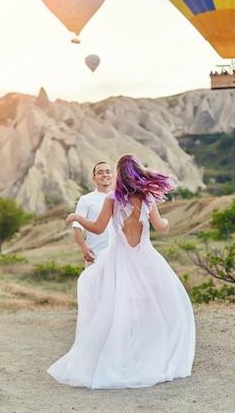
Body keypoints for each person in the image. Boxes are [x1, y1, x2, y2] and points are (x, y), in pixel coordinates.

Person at [47, 154, 196, 389]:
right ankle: (147, 353)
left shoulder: (111, 199)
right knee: (155, 305)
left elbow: (96, 228)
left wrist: (77, 217)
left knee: (116, 307)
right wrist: (166, 221)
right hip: (146, 258)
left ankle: (120, 355)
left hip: (119, 258)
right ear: (138, 172)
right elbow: (161, 227)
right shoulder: (147, 199)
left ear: (119, 175)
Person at [72, 161, 114, 266]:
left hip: (117, 254)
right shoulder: (86, 199)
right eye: (100, 172)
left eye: (108, 172)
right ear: (94, 178)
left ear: (112, 176)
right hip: (95, 255)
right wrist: (83, 248)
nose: (105, 174)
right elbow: (77, 227)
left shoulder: (120, 198)